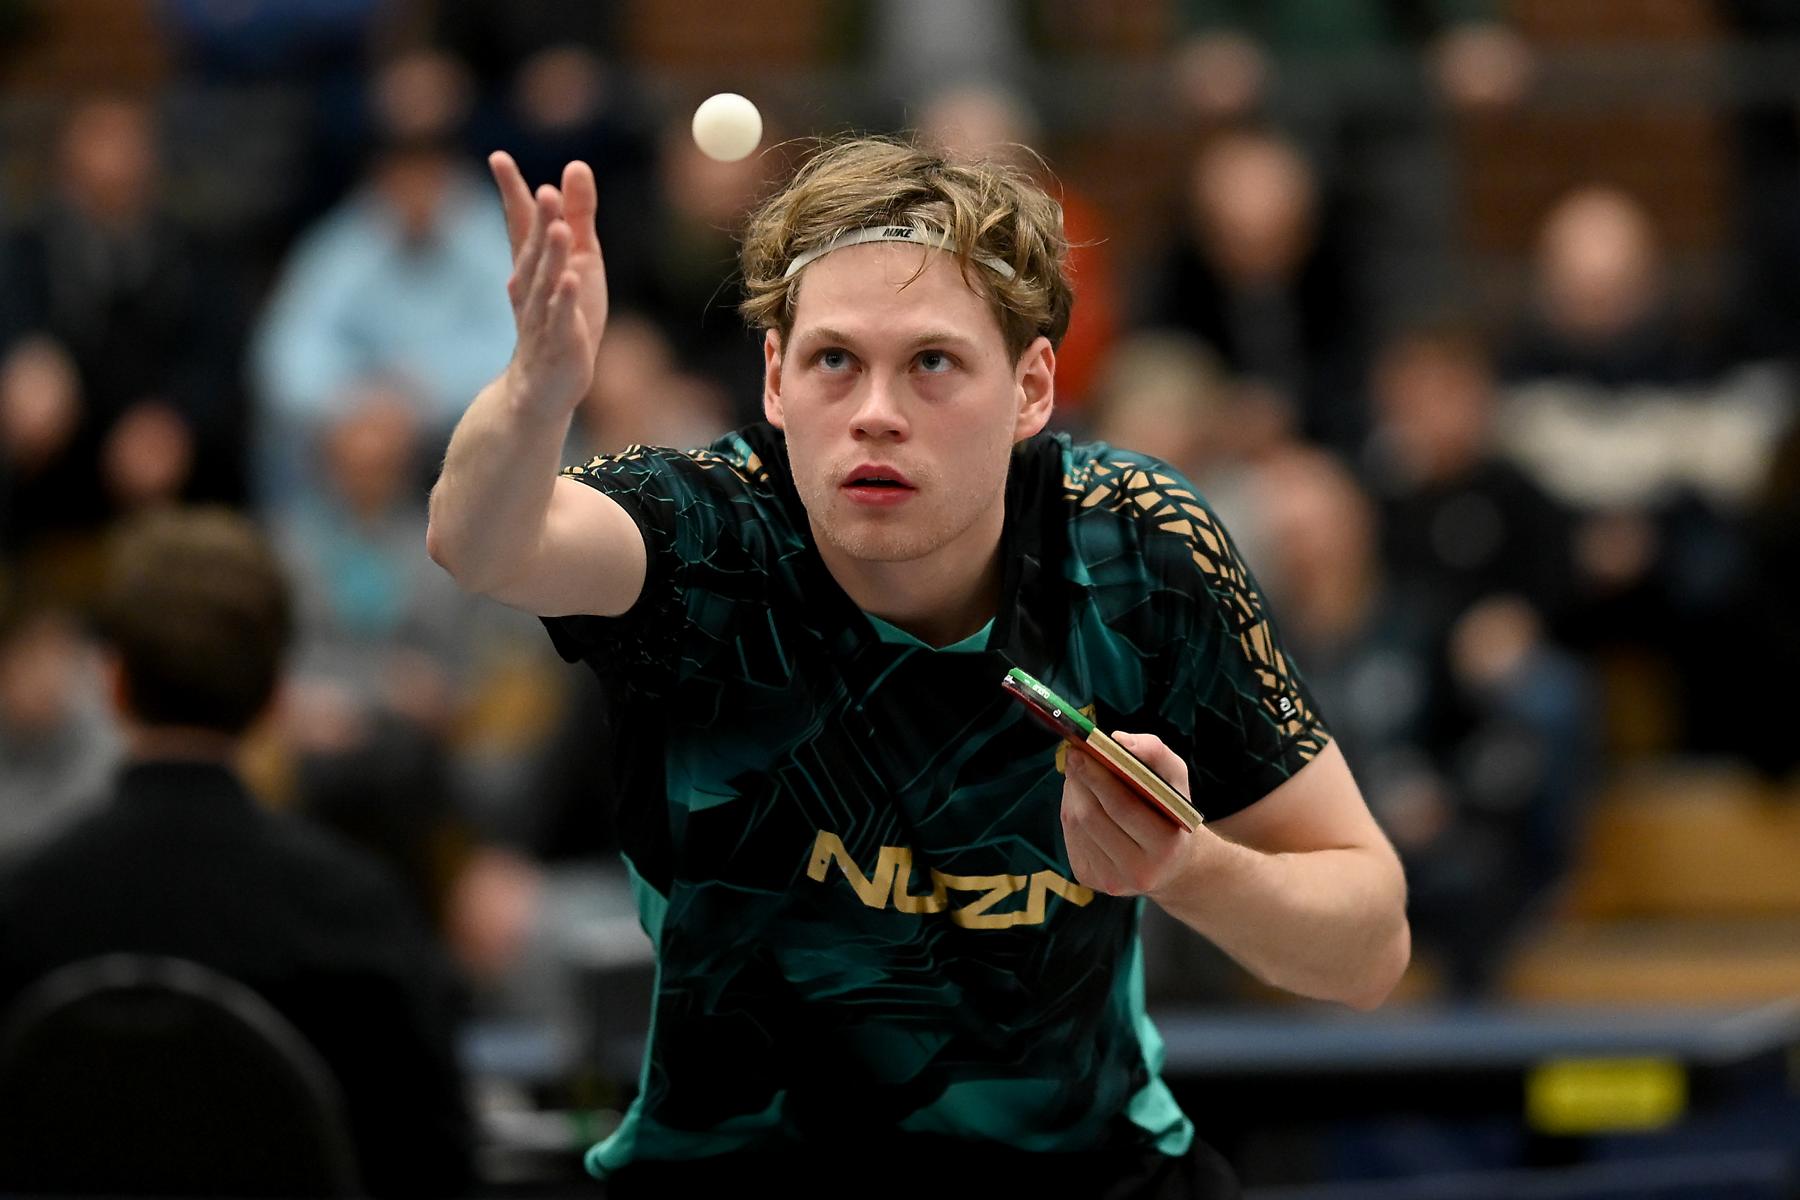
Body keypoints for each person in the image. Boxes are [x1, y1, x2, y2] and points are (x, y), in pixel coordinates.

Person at [428, 137, 1409, 1196]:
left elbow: (1370, 950)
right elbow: (481, 543)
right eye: (834, 361)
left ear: (1032, 387)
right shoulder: (705, 533)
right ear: (775, 378)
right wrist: (534, 394)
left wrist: (1188, 869)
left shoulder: (1136, 546)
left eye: (932, 362)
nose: (876, 412)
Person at [0, 509, 473, 1198]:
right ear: (276, 697)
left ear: (113, 684)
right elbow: (435, 1162)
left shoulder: (21, 908)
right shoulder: (354, 911)